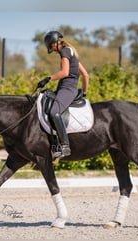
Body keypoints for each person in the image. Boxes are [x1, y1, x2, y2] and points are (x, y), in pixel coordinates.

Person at [37, 30, 89, 158]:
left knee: (54, 111)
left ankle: (65, 145)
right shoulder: (73, 53)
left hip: (67, 89)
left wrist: (48, 78)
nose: (52, 49)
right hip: (68, 89)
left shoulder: (65, 52)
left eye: (51, 46)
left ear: (55, 43)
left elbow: (65, 73)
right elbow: (85, 75)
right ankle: (54, 143)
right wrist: (84, 92)